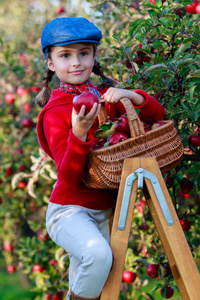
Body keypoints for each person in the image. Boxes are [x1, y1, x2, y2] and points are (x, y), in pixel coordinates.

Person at [36, 17, 165, 300]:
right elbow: (69, 176)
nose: (76, 62)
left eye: (84, 53)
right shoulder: (55, 112)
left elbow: (158, 117)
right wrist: (79, 134)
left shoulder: (105, 98)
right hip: (69, 211)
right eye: (65, 55)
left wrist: (132, 96)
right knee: (97, 255)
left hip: (104, 212)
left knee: (96, 278)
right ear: (50, 63)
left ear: (94, 58)